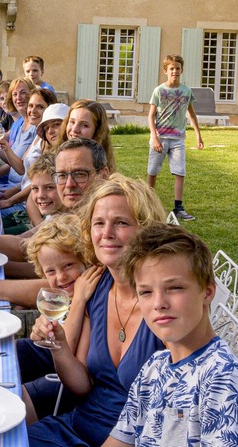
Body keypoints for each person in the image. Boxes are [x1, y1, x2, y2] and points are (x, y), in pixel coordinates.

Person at [26, 175, 168, 446]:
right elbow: (82, 384)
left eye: (122, 223)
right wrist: (58, 345)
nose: (107, 233)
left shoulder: (164, 304)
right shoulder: (96, 286)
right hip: (75, 427)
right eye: (98, 223)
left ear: (147, 230)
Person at [106, 223, 238, 447]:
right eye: (146, 292)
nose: (159, 303)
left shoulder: (222, 379)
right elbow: (119, 441)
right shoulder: (155, 367)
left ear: (207, 292)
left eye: (175, 288)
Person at [0, 139, 110, 307]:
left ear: (103, 174)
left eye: (80, 174)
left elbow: (61, 291)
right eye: (62, 176)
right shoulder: (74, 212)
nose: (69, 184)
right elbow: (28, 245)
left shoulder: (105, 223)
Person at [16, 215, 95, 420]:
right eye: (51, 271)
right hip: (56, 355)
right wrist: (40, 330)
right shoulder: (67, 294)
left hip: (73, 376)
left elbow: (66, 344)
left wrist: (78, 303)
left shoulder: (89, 296)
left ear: (85, 259)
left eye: (68, 265)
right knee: (11, 352)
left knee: (19, 400)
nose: (61, 277)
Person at [146, 55, 205, 222]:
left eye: (178, 68)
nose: (175, 71)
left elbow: (192, 114)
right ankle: (148, 204)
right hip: (160, 138)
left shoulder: (186, 91)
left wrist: (198, 135)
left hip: (178, 139)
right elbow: (150, 116)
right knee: (153, 171)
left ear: (181, 70)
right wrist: (154, 137)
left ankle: (178, 207)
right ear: (166, 71)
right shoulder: (159, 91)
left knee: (180, 172)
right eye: (172, 68)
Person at [65, 100, 116, 171]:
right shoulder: (54, 160)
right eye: (72, 122)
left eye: (84, 125)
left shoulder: (100, 172)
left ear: (97, 131)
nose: (75, 129)